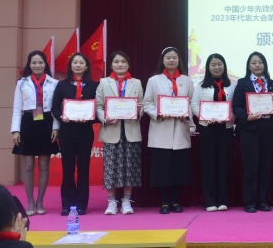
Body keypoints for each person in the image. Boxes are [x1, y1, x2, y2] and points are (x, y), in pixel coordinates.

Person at [143, 47, 195, 214]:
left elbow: (191, 103)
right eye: (168, 58)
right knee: (162, 169)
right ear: (163, 60)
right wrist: (158, 114)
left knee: (178, 169)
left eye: (174, 58)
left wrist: (187, 116)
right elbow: (147, 103)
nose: (171, 60)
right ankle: (165, 202)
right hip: (161, 128)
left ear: (179, 60)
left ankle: (176, 201)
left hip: (180, 128)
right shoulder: (153, 80)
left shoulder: (187, 81)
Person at [11, 50, 59, 216]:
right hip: (28, 123)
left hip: (46, 123)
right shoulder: (21, 83)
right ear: (29, 65)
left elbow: (56, 109)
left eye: (40, 62)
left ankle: (40, 201)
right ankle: (30, 201)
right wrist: (15, 130)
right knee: (29, 165)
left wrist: (56, 128)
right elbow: (17, 108)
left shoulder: (54, 83)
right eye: (34, 63)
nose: (37, 65)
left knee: (44, 165)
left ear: (45, 64)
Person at [95, 51, 144, 215]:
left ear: (128, 64)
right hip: (111, 129)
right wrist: (105, 118)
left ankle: (127, 201)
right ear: (111, 65)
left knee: (130, 167)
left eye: (123, 61)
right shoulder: (104, 83)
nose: (120, 64)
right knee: (111, 167)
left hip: (131, 129)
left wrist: (138, 112)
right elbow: (98, 106)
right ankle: (111, 202)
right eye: (116, 61)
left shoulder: (136, 83)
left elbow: (142, 104)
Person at [232, 52, 273, 213]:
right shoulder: (242, 83)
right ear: (249, 66)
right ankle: (250, 200)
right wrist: (246, 117)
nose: (257, 65)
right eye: (254, 63)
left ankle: (263, 200)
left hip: (268, 129)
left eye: (260, 62)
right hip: (249, 130)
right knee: (250, 166)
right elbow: (236, 106)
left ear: (265, 65)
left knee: (265, 165)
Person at [52, 53, 98, 216]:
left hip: (85, 131)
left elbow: (98, 108)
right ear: (70, 66)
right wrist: (61, 117)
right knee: (68, 168)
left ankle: (81, 205)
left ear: (86, 67)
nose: (78, 65)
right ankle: (67, 204)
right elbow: (55, 107)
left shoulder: (93, 85)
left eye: (81, 63)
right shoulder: (62, 85)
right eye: (75, 62)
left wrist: (90, 118)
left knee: (84, 168)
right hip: (67, 130)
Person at [191, 53, 236, 212]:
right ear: (208, 67)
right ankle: (209, 201)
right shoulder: (200, 86)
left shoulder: (232, 85)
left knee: (224, 164)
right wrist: (205, 117)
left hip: (226, 129)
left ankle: (223, 200)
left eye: (220, 64)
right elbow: (194, 106)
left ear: (224, 66)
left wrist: (229, 117)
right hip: (207, 129)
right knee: (208, 164)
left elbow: (236, 106)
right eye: (213, 65)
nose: (217, 67)